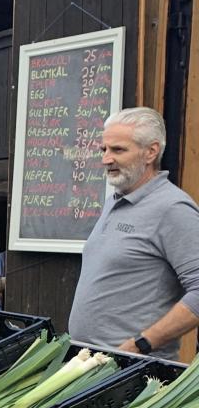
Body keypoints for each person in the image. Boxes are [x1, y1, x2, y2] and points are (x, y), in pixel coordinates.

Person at [69, 107, 199, 359]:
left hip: (132, 369)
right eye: (104, 150)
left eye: (118, 150)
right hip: (87, 363)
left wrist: (140, 345)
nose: (106, 159)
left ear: (151, 152)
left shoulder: (173, 208)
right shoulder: (114, 200)